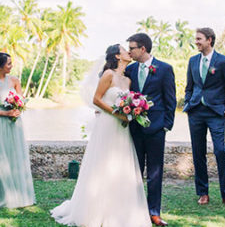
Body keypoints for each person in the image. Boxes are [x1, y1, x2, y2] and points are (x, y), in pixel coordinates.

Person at [51, 44, 151, 227]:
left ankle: (120, 211)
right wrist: (117, 113)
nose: (128, 51)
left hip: (122, 128)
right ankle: (94, 211)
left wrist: (131, 113)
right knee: (102, 165)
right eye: (124, 49)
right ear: (117, 56)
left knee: (120, 166)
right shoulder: (108, 75)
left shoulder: (127, 81)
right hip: (107, 125)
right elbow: (96, 99)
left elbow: (127, 102)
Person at [183, 27, 225, 207]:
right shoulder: (192, 61)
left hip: (216, 113)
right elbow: (189, 87)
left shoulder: (223, 62)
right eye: (196, 39)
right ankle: (203, 193)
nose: (196, 42)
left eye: (199, 39)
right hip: (195, 112)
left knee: (220, 151)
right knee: (198, 152)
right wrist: (188, 103)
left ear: (210, 40)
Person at [125, 32, 177, 227]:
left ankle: (154, 212)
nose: (130, 52)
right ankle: (134, 210)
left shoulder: (164, 69)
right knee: (135, 171)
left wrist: (166, 125)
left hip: (156, 129)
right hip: (134, 129)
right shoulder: (129, 70)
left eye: (132, 48)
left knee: (155, 173)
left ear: (143, 49)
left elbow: (170, 99)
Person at [0, 52, 36, 208]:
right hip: (0, 123)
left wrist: (18, 109)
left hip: (15, 123)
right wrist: (5, 112)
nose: (11, 66)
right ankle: (5, 195)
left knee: (17, 154)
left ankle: (21, 194)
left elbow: (21, 100)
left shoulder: (15, 81)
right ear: (0, 66)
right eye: (9, 64)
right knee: (2, 157)